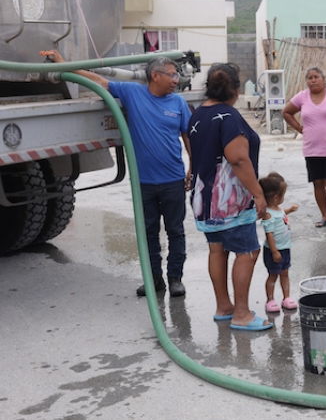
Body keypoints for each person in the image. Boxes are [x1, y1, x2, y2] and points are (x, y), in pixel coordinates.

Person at [40, 50, 191, 297]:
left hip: (173, 179)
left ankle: (175, 278)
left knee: (175, 231)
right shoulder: (133, 93)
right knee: (148, 232)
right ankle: (154, 279)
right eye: (172, 75)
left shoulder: (179, 103)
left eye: (177, 76)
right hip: (144, 182)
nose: (176, 80)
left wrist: (192, 167)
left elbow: (187, 136)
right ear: (155, 75)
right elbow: (97, 81)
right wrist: (63, 64)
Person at [187, 63, 271, 331]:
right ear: (235, 89)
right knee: (247, 251)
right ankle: (242, 314)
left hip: (204, 199)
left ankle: (224, 307)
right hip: (229, 201)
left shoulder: (198, 114)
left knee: (218, 248)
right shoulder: (229, 116)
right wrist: (258, 194)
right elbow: (238, 160)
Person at [282, 67, 326, 228]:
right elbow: (286, 112)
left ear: (323, 79)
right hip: (312, 148)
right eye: (310, 77)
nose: (313, 80)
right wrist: (299, 128)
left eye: (316, 77)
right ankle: (324, 216)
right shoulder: (302, 96)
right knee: (318, 183)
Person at [259, 172, 298, 313]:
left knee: (285, 273)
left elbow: (281, 214)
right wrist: (274, 251)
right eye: (283, 195)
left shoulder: (277, 209)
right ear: (276, 197)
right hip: (274, 250)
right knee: (273, 275)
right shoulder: (268, 214)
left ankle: (286, 298)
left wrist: (290, 210)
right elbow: (269, 234)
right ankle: (270, 300)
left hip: (285, 248)